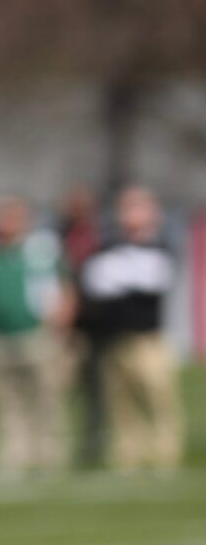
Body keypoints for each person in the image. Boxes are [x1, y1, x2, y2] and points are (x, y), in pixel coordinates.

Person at [0, 195, 70, 475]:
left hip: (37, 335)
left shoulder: (43, 250)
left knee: (46, 400)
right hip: (0, 337)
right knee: (7, 403)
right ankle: (15, 458)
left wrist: (59, 326)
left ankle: (49, 458)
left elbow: (65, 290)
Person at [83, 186, 184, 473]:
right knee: (121, 405)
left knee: (158, 400)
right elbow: (97, 284)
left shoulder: (161, 248)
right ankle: (128, 457)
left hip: (147, 338)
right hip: (116, 338)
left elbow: (150, 282)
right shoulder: (108, 249)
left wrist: (120, 278)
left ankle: (165, 456)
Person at [58, 185, 109, 469]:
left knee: (97, 394)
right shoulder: (56, 238)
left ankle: (93, 448)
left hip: (97, 329)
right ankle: (58, 449)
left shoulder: (102, 239)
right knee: (59, 391)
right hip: (66, 331)